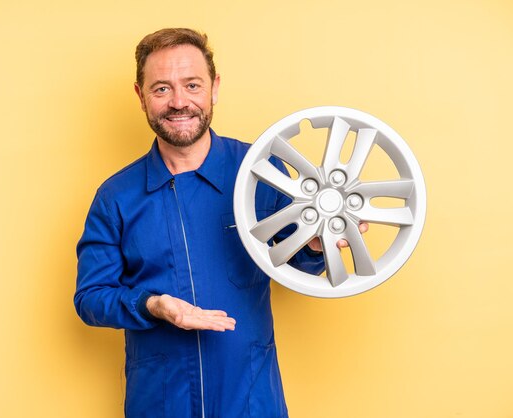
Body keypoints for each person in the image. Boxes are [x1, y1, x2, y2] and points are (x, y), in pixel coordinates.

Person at [74, 28, 366, 418]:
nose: (179, 102)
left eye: (192, 85)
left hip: (250, 397)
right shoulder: (116, 196)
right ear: (140, 96)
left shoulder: (261, 172)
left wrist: (316, 245)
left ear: (214, 87)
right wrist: (152, 305)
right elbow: (91, 297)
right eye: (161, 89)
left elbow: (293, 258)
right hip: (160, 402)